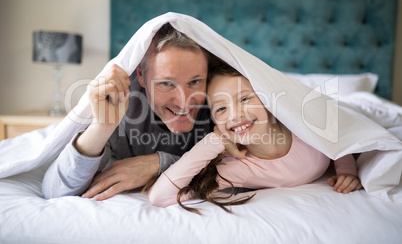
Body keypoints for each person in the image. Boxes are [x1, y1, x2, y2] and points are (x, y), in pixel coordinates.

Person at [147, 61, 363, 213]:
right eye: (221, 109)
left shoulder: (304, 126)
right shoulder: (239, 168)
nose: (235, 115)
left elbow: (337, 135)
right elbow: (160, 197)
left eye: (245, 99)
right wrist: (214, 141)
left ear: (268, 101)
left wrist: (347, 171)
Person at [42, 23, 220, 200]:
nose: (184, 102)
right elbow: (55, 191)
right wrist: (101, 128)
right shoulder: (121, 103)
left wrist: (159, 164)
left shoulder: (223, 100)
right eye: (166, 83)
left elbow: (242, 169)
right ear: (141, 76)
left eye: (195, 82)